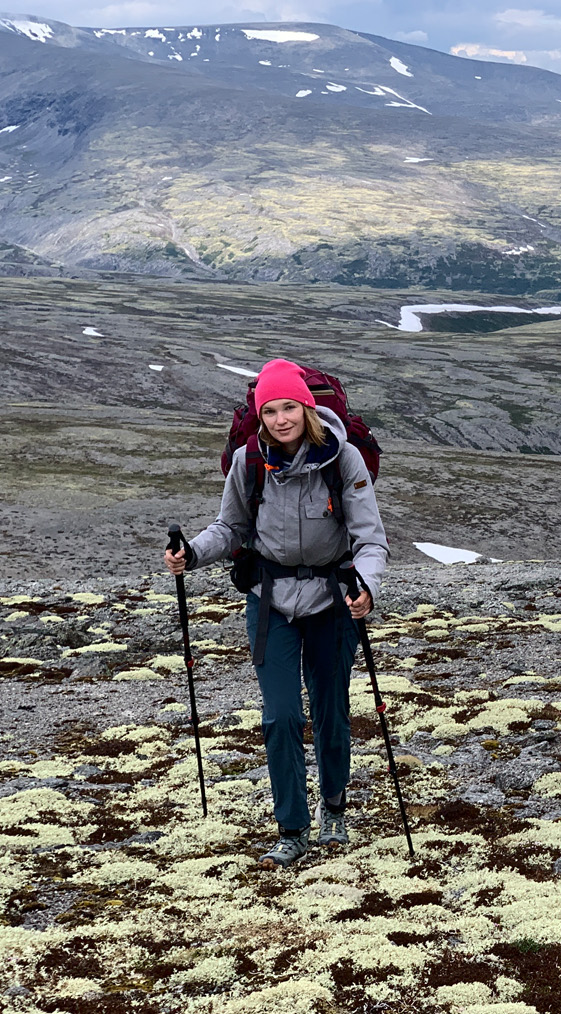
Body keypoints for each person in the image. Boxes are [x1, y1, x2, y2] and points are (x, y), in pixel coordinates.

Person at [164, 358, 389, 868]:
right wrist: (192, 554)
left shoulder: (343, 460)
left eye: (290, 406)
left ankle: (334, 807)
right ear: (260, 414)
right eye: (270, 410)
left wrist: (367, 589)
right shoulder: (249, 463)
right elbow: (230, 528)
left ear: (307, 408)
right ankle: (292, 828)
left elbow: (370, 539)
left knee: (331, 711)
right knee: (281, 716)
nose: (280, 418)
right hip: (271, 604)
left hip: (334, 602)